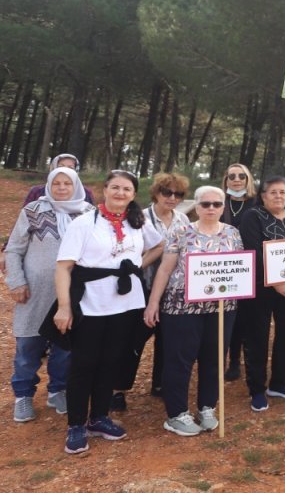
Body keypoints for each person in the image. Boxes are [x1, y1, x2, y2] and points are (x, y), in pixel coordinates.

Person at [53, 170, 164, 455]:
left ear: (133, 194)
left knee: (111, 361)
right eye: (115, 187)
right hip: (91, 303)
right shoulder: (84, 223)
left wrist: (136, 265)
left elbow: (160, 245)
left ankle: (99, 417)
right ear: (105, 190)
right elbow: (64, 267)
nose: (120, 193)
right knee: (84, 363)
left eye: (126, 189)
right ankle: (76, 424)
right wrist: (64, 307)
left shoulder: (137, 221)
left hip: (126, 304)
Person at [142, 186, 239, 436]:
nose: (210, 208)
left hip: (221, 307)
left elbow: (239, 268)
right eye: (205, 204)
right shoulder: (181, 231)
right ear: (196, 207)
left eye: (216, 204)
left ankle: (207, 406)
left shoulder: (232, 233)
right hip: (181, 307)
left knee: (215, 357)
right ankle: (177, 413)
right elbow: (165, 269)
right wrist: (154, 303)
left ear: (223, 207)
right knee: (179, 360)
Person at [5, 166, 92, 423]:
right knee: (28, 346)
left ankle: (57, 390)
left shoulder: (88, 213)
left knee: (65, 346)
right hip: (35, 292)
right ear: (48, 186)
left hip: (72, 292)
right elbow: (13, 250)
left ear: (76, 185)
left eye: (67, 183)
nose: (62, 188)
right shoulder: (33, 211)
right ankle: (23, 396)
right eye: (57, 183)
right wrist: (16, 282)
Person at [112, 173, 190, 411]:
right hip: (141, 287)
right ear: (156, 193)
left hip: (173, 290)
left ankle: (160, 384)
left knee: (168, 341)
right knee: (133, 340)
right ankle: (117, 389)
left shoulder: (183, 220)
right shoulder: (139, 217)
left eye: (178, 194)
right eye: (167, 192)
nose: (172, 198)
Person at [236, 175, 285, 412]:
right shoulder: (252, 216)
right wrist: (275, 283)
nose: (278, 196)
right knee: (257, 337)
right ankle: (257, 390)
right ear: (263, 196)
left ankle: (279, 383)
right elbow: (254, 251)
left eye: (283, 192)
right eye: (273, 192)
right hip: (260, 286)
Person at [220, 163, 258, 382]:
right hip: (222, 267)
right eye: (231, 176)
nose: (236, 180)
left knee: (243, 318)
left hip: (248, 268)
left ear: (247, 179)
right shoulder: (218, 202)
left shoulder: (255, 203)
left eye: (241, 176)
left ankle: (237, 361)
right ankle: (222, 360)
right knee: (224, 317)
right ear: (226, 180)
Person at [22, 154, 95, 206]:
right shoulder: (37, 191)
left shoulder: (85, 193)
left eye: (70, 167)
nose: (65, 169)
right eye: (61, 166)